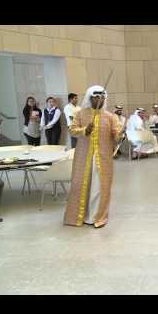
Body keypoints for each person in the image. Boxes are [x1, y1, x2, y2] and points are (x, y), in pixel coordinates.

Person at [64, 85, 123, 228]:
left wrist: (121, 132)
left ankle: (96, 217)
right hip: (83, 157)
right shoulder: (80, 114)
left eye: (102, 97)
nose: (100, 100)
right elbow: (72, 130)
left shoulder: (110, 117)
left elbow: (116, 135)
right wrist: (85, 130)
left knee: (98, 187)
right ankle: (80, 216)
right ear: (91, 98)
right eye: (97, 97)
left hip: (102, 159)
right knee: (80, 185)